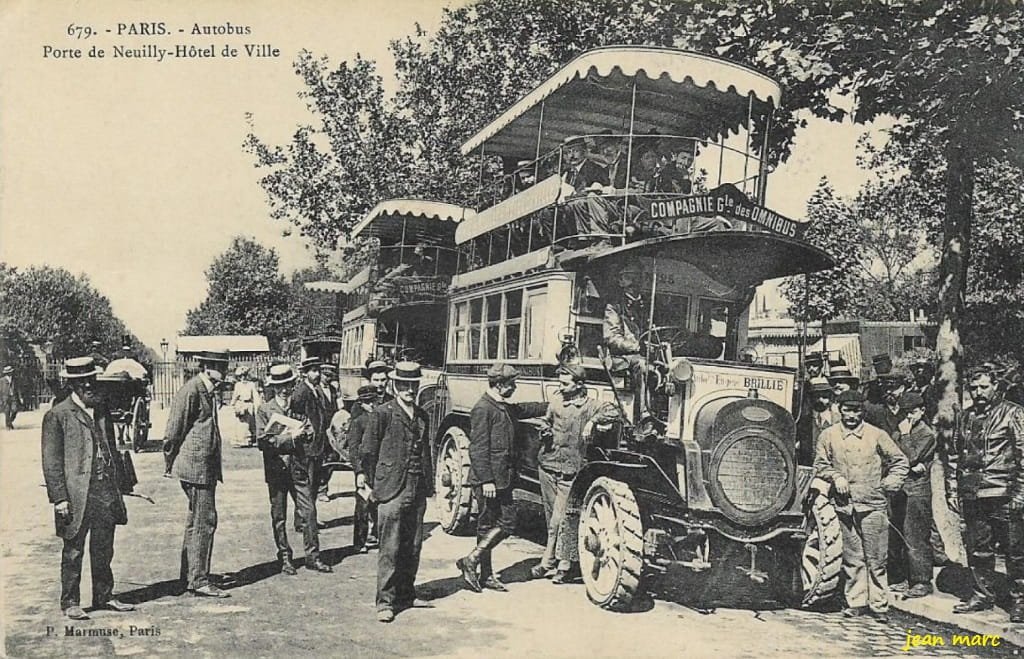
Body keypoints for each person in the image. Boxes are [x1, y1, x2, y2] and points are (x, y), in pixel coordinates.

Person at [41, 356, 135, 619]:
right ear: (73, 385)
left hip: (104, 490)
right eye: (83, 383)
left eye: (92, 380)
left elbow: (113, 450)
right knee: (73, 549)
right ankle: (70, 601)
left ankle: (104, 596)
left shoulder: (101, 409)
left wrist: (121, 483)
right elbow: (51, 462)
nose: (89, 386)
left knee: (104, 546)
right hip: (75, 494)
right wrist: (59, 498)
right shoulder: (57, 415)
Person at [814, 389, 909, 620]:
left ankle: (879, 605)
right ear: (839, 409)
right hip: (844, 506)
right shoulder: (828, 435)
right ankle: (856, 601)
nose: (852, 415)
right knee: (852, 558)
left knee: (876, 559)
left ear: (862, 410)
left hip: (873, 505)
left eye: (856, 410)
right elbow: (820, 464)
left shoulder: (876, 435)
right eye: (847, 410)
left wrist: (888, 484)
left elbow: (900, 461)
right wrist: (836, 477)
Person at [457, 364, 547, 593]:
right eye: (511, 384)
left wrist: (552, 404)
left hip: (502, 478)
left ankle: (475, 564)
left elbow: (526, 409)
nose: (514, 388)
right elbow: (477, 449)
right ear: (499, 385)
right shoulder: (482, 409)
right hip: (488, 479)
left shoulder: (503, 406)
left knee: (504, 522)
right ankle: (480, 569)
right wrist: (486, 480)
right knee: (491, 523)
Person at [946, 364, 1024, 621]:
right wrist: (954, 489)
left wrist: (1020, 494)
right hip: (973, 495)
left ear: (996, 387)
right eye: (974, 387)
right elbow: (956, 455)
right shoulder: (965, 416)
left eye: (984, 387)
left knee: (1015, 551)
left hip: (1004, 494)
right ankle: (982, 594)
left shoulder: (1013, 414)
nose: (978, 392)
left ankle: (1019, 600)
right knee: (978, 548)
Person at [360, 361, 435, 622]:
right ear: (395, 385)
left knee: (413, 545)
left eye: (413, 385)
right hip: (391, 488)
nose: (409, 390)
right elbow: (368, 451)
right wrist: (369, 483)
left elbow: (426, 451)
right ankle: (385, 602)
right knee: (389, 547)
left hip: (416, 487)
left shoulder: (422, 415)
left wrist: (429, 485)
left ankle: (406, 593)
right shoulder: (383, 413)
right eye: (404, 385)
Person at [532, 363, 618, 583]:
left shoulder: (590, 406)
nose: (560, 387)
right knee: (551, 517)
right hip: (548, 465)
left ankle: (553, 562)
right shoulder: (557, 401)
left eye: (565, 383)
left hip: (571, 470)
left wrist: (592, 422)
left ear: (580, 385)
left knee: (561, 520)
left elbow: (614, 411)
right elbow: (546, 419)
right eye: (559, 383)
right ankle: (558, 562)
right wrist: (544, 428)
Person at [163, 350, 231, 598]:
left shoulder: (208, 390)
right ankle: (200, 580)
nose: (225, 372)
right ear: (207, 367)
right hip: (196, 468)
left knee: (196, 522)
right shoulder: (191, 390)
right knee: (205, 521)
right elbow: (172, 431)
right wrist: (170, 461)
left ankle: (190, 576)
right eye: (220, 367)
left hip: (204, 467)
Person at [254, 364, 307, 576]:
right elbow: (262, 441)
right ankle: (285, 556)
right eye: (279, 386)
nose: (284, 390)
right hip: (276, 469)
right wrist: (290, 438)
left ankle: (313, 555)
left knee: (308, 511)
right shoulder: (265, 410)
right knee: (279, 515)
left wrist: (305, 433)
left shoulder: (298, 406)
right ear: (273, 388)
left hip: (298, 468)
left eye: (288, 385)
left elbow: (309, 429)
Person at [888, 391, 937, 598]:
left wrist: (906, 437)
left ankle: (922, 581)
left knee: (916, 536)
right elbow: (891, 455)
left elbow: (910, 457)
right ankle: (904, 578)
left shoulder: (925, 433)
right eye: (905, 412)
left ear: (922, 411)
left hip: (917, 492)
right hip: (900, 490)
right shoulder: (899, 432)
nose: (908, 417)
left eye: (913, 412)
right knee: (898, 535)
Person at [287, 356, 332, 573]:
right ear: (305, 372)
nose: (317, 374)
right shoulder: (301, 392)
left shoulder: (318, 391)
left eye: (318, 370)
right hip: (303, 453)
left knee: (311, 495)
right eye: (313, 370)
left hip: (317, 450)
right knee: (309, 504)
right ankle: (312, 554)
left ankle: (302, 523)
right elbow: (295, 419)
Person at [347, 385, 379, 553]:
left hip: (379, 467)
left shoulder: (381, 418)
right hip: (365, 468)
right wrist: (358, 471)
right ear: (361, 403)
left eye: (373, 401)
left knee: (378, 504)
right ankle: (359, 541)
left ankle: (375, 536)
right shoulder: (358, 422)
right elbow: (353, 449)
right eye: (367, 402)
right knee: (363, 506)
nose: (371, 405)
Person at [796, 376, 838, 466]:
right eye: (816, 396)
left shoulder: (838, 420)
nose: (820, 400)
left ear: (830, 398)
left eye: (824, 396)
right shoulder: (804, 420)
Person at [317, 363, 340, 502]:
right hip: (321, 429)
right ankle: (320, 490)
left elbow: (337, 407)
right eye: (325, 375)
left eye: (330, 375)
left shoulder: (332, 389)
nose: (327, 378)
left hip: (331, 428)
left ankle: (324, 486)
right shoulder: (316, 389)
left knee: (331, 458)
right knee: (321, 459)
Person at [230, 366, 260, 448]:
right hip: (241, 404)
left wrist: (257, 405)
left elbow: (255, 395)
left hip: (249, 404)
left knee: (250, 423)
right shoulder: (238, 385)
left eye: (245, 375)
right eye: (241, 376)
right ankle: (241, 440)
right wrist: (233, 404)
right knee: (241, 423)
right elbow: (235, 395)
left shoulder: (251, 384)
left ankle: (250, 439)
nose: (243, 378)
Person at [1, 365, 21, 430]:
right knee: (7, 411)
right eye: (9, 372)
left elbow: (18, 389)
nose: (11, 373)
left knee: (15, 410)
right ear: (6, 373)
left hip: (13, 397)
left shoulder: (14, 379)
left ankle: (10, 422)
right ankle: (8, 425)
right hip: (5, 398)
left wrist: (20, 397)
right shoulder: (2, 380)